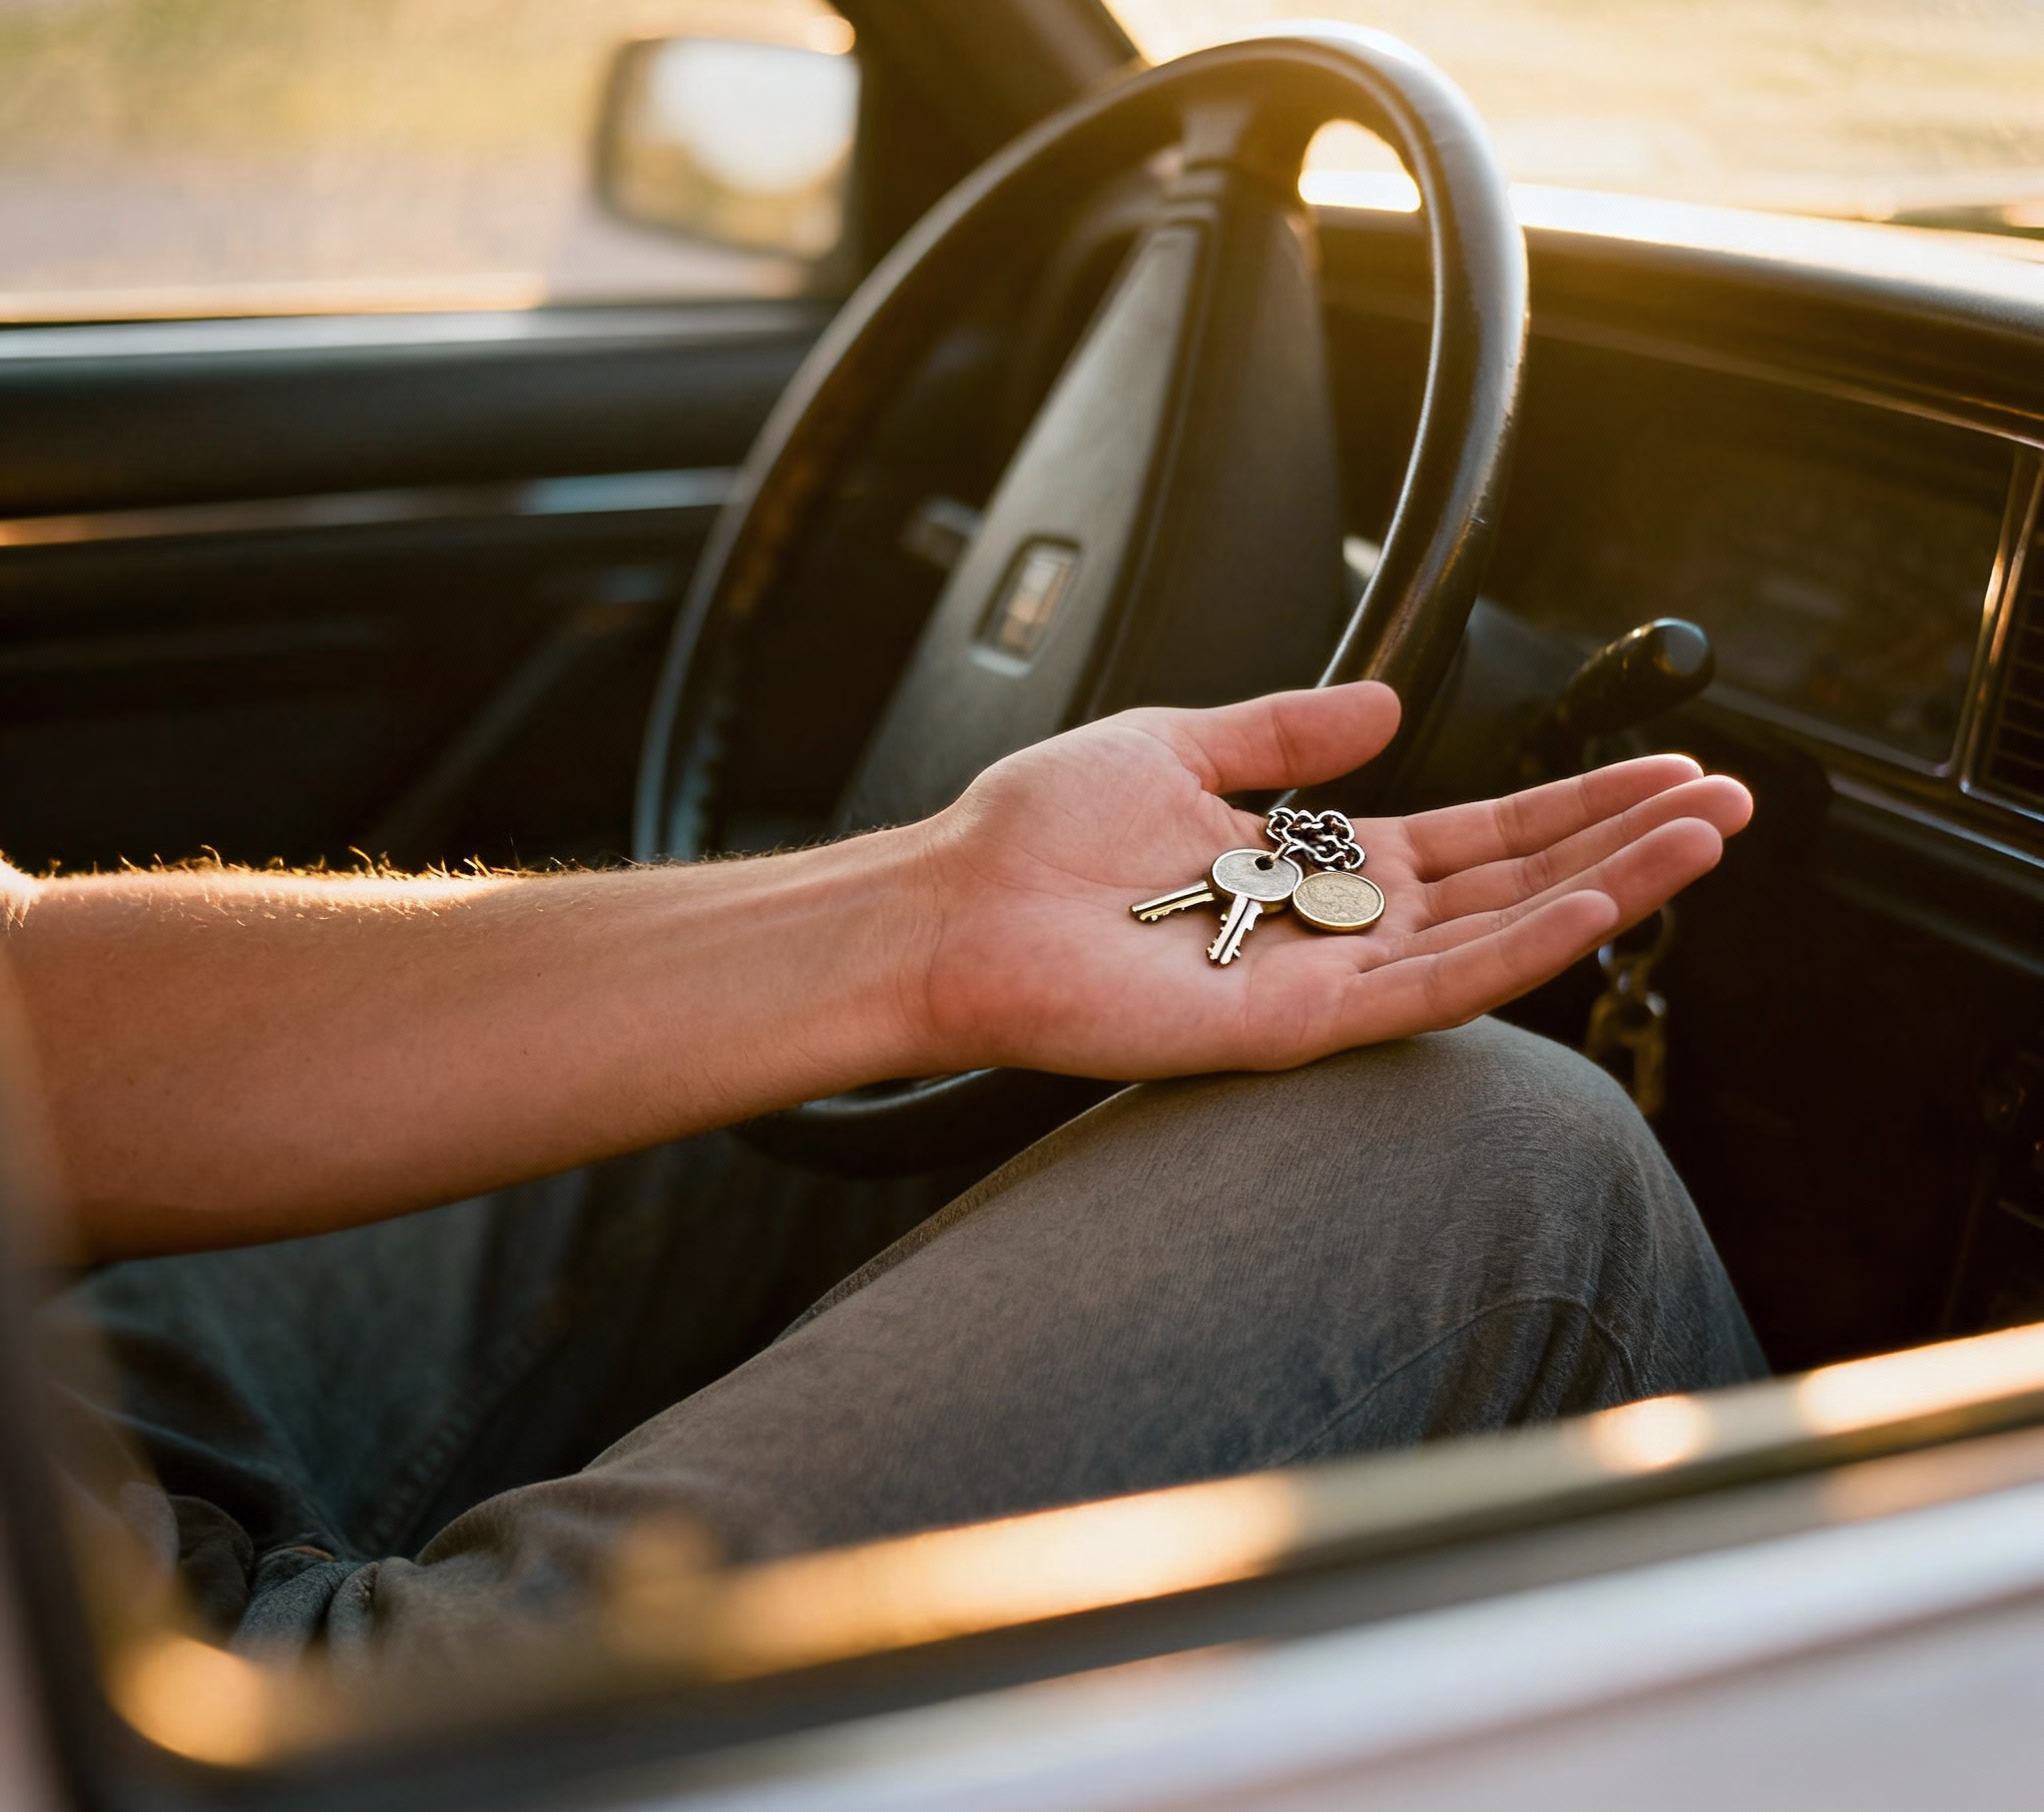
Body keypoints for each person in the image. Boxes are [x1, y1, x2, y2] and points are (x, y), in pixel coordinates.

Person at [16, 680, 1763, 1662]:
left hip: (67, 1451)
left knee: (804, 1107)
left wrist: (924, 918)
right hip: (144, 1721)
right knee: (1507, 1178)